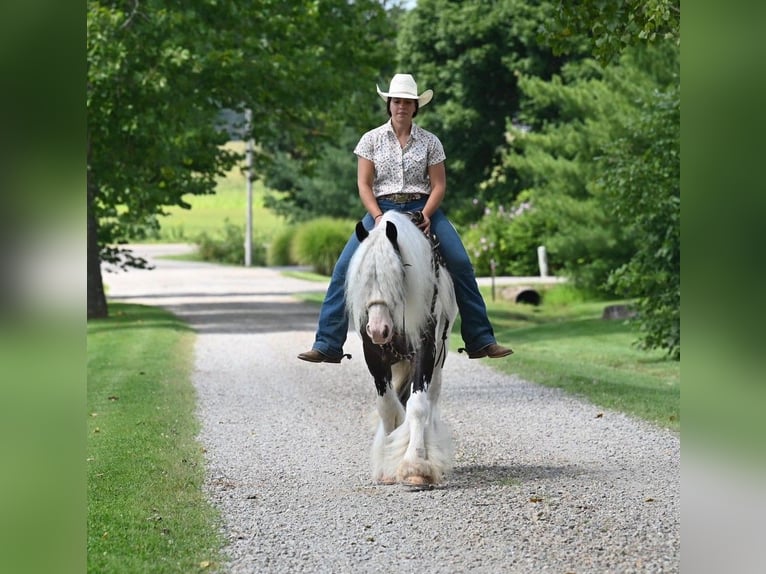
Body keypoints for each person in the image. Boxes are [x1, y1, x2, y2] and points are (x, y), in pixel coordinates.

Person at [298, 73, 512, 363]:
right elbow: (364, 184)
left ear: (415, 107)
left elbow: (439, 185)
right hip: (381, 207)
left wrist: (426, 214)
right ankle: (328, 343)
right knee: (344, 267)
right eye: (396, 101)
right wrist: (376, 216)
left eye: (407, 102)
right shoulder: (370, 140)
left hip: (422, 207)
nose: (401, 106)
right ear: (389, 104)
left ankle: (480, 339)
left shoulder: (430, 142)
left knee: (460, 263)